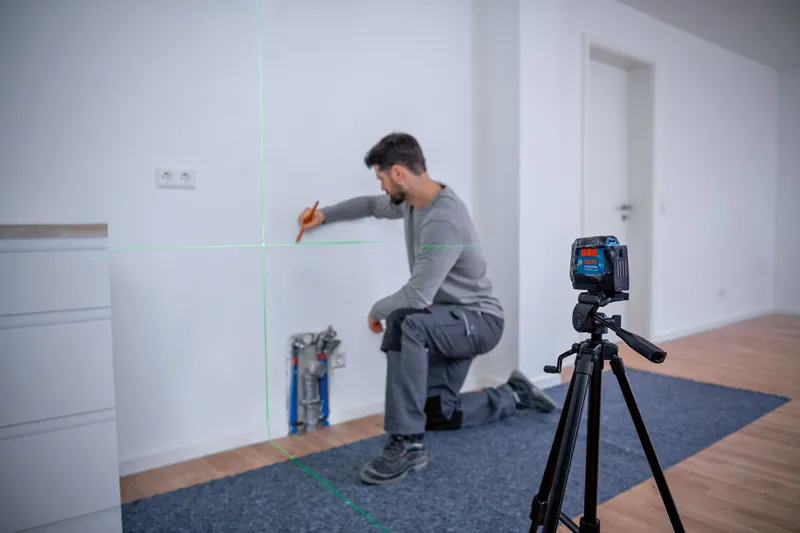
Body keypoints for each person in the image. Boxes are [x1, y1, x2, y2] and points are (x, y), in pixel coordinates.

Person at [296, 132, 557, 485]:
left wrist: (376, 310)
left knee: (405, 321)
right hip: (449, 323)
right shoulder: (412, 203)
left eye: (383, 178)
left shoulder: (443, 219)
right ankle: (513, 394)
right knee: (435, 413)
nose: (383, 186)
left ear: (399, 173)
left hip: (479, 321)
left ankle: (407, 444)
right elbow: (370, 206)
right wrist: (324, 215)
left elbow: (418, 296)